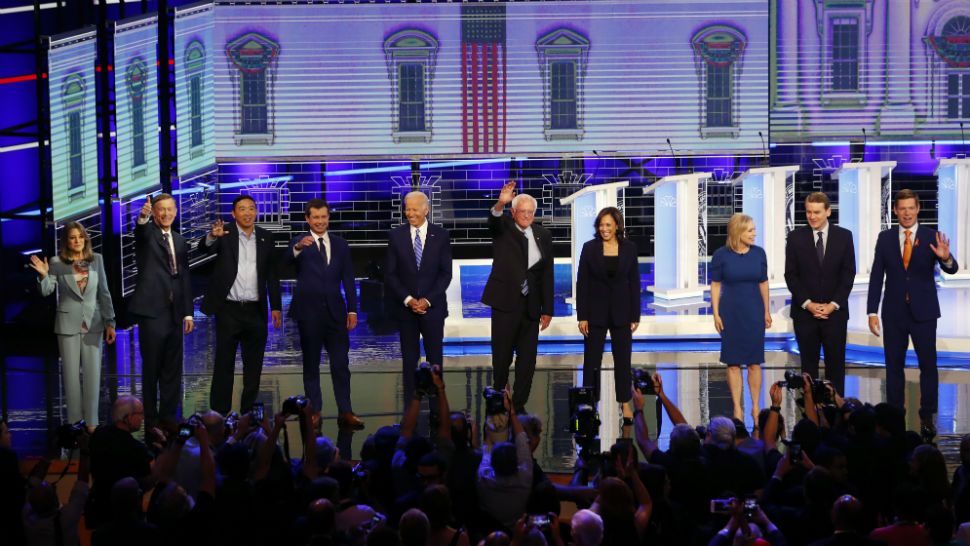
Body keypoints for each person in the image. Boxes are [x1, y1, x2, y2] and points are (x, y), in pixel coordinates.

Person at [867, 189, 958, 436]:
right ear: (895, 210)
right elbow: (877, 276)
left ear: (918, 209)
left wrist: (946, 258)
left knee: (928, 365)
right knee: (893, 365)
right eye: (902, 208)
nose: (907, 213)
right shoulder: (884, 238)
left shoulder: (932, 236)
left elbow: (952, 268)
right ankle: (896, 415)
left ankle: (927, 415)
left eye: (911, 208)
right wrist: (871, 312)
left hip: (924, 312)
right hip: (894, 312)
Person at [200, 194, 282, 415]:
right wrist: (211, 236)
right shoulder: (224, 233)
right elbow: (203, 249)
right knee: (224, 364)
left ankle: (248, 414)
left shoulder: (266, 237)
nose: (247, 213)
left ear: (256, 212)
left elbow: (272, 275)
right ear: (233, 213)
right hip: (229, 310)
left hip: (256, 311)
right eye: (242, 209)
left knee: (253, 367)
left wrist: (276, 306)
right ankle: (219, 414)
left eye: (251, 209)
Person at [285, 198, 363, 429]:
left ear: (328, 217)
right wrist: (298, 248)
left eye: (324, 217)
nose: (320, 221)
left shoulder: (340, 244)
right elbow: (286, 260)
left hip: (336, 314)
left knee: (341, 364)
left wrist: (352, 309)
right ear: (307, 219)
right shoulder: (300, 243)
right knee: (311, 365)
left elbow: (348, 279)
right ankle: (314, 410)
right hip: (308, 314)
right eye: (315, 217)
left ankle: (345, 412)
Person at [29, 222, 116, 427]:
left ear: (85, 238)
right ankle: (75, 426)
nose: (77, 241)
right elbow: (47, 290)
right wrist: (43, 275)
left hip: (93, 324)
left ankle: (92, 425)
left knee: (93, 378)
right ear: (66, 241)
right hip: (67, 325)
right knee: (70, 378)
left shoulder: (97, 260)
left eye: (80, 237)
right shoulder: (57, 262)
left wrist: (110, 322)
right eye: (72, 237)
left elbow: (104, 293)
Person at [482, 180, 554, 412]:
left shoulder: (543, 234)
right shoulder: (504, 227)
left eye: (530, 212)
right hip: (505, 302)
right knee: (502, 356)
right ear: (513, 212)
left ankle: (519, 403)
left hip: (531, 305)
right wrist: (500, 203)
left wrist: (548, 308)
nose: (526, 215)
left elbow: (546, 273)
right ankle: (499, 395)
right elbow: (493, 219)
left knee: (528, 360)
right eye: (521, 211)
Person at [128, 194, 194, 428]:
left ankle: (169, 415)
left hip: (175, 312)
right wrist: (143, 217)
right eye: (161, 210)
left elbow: (184, 276)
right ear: (155, 213)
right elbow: (141, 232)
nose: (166, 214)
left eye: (169, 209)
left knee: (172, 368)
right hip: (153, 311)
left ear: (175, 211)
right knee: (152, 368)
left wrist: (188, 312)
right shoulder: (148, 235)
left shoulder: (179, 239)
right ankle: (151, 418)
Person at [384, 191, 453, 405]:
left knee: (435, 359)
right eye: (407, 208)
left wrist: (427, 300)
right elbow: (390, 274)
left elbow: (445, 273)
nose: (409, 213)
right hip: (406, 311)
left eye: (414, 209)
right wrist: (408, 300)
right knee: (409, 361)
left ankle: (437, 405)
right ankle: (411, 406)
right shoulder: (396, 236)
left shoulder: (441, 235)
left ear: (426, 210)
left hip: (433, 309)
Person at [784, 192, 856, 395]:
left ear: (828, 212)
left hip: (835, 315)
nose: (812, 216)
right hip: (805, 315)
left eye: (816, 212)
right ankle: (811, 415)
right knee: (808, 369)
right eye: (808, 212)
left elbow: (848, 274)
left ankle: (837, 414)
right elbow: (791, 275)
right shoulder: (795, 237)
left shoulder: (844, 236)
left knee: (836, 368)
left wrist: (833, 304)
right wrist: (808, 303)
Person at [576, 206, 640, 408]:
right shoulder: (589, 248)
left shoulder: (629, 248)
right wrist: (582, 316)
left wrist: (635, 315)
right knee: (591, 361)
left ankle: (625, 403)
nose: (604, 229)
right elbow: (582, 283)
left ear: (617, 226)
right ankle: (590, 404)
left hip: (622, 312)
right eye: (601, 225)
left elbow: (634, 282)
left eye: (608, 225)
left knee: (623, 361)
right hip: (595, 313)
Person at [710, 213, 771, 421]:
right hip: (731, 312)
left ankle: (755, 407)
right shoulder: (721, 255)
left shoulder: (759, 254)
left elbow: (763, 282)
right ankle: (737, 407)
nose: (755, 234)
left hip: (753, 311)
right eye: (750, 230)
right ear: (738, 232)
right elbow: (716, 285)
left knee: (755, 361)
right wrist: (716, 313)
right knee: (733, 362)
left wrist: (766, 311)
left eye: (754, 229)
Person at [87, 396, 154, 529]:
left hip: (99, 511)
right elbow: (147, 482)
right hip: (127, 519)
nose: (142, 418)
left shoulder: (99, 435)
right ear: (127, 417)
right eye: (140, 414)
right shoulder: (136, 449)